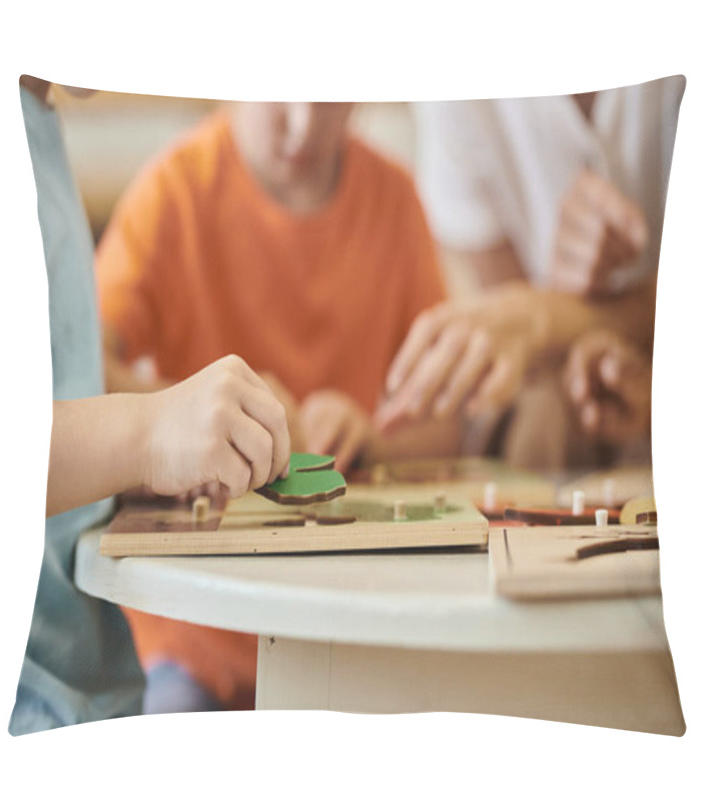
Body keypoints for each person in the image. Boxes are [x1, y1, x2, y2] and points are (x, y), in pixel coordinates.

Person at [94, 100, 459, 714]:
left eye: (330, 97)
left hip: (352, 627)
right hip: (194, 635)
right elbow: (78, 367)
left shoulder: (395, 200)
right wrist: (188, 411)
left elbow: (451, 424)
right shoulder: (176, 189)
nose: (302, 123)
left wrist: (372, 434)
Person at [9, 76, 290, 735]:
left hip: (87, 694)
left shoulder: (36, 117)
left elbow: (57, 381)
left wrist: (153, 452)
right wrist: (146, 434)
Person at [377, 77, 684, 467]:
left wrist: (544, 316)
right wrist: (563, 317)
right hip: (594, 396)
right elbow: (522, 361)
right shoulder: (451, 98)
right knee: (544, 415)